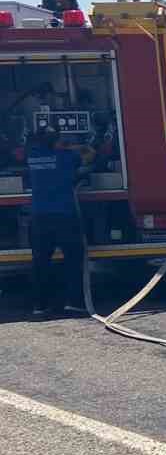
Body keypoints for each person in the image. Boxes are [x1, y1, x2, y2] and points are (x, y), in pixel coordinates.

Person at [22, 127, 89, 316]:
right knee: (73, 260)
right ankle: (74, 303)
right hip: (65, 215)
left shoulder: (33, 156)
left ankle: (40, 306)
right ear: (57, 140)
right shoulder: (67, 157)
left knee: (40, 261)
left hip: (39, 217)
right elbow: (87, 157)